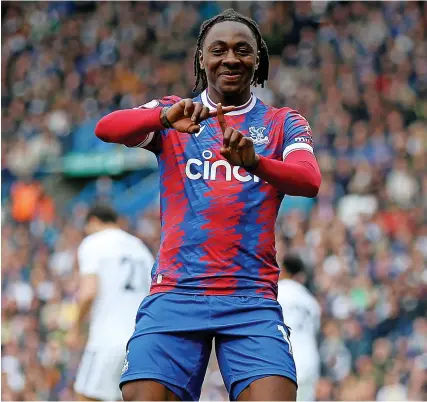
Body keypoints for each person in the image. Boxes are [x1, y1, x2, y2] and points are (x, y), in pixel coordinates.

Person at [95, 8, 321, 401]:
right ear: (201, 57)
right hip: (176, 290)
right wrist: (162, 118)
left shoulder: (283, 122)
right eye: (218, 50)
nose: (230, 59)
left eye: (242, 50)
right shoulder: (176, 113)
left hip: (251, 297)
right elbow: (107, 128)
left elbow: (309, 179)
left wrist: (256, 163)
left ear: (258, 59)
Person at [67, 203, 154, 401]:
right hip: (139, 342)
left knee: (85, 396)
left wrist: (75, 328)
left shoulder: (94, 242)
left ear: (93, 222)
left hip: (106, 340)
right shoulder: (140, 248)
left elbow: (89, 291)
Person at [277, 254, 322, 402]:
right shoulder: (311, 301)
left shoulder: (278, 291)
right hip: (310, 361)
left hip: (288, 360)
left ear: (283, 270)